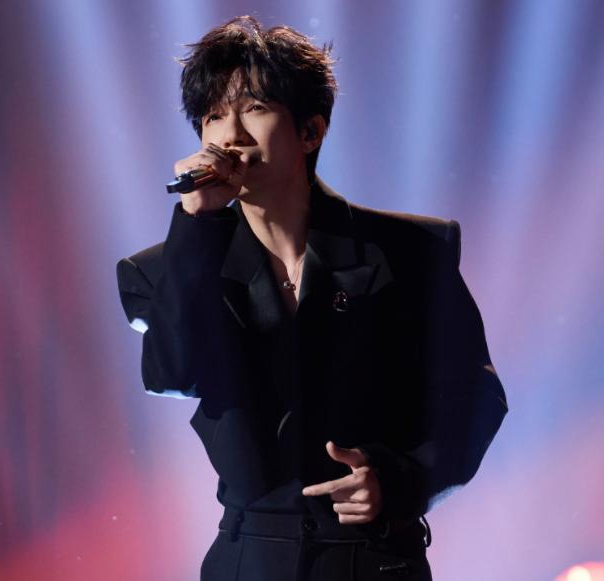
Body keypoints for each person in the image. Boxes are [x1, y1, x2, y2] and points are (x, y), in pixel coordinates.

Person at [116, 15, 507, 581]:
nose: (229, 135)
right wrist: (196, 227)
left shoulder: (411, 251)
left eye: (253, 108)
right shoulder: (163, 269)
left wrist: (400, 481)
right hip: (250, 556)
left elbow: (477, 397)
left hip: (374, 556)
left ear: (310, 131)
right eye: (213, 116)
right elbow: (171, 372)